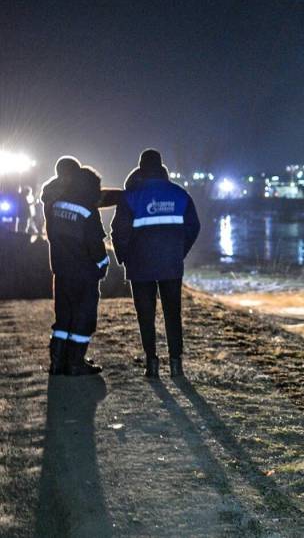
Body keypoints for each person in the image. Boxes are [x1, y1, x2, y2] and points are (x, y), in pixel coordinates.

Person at [111, 149, 200, 379]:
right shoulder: (180, 194)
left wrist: (124, 257)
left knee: (146, 315)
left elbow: (118, 232)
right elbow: (194, 227)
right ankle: (176, 364)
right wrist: (179, 252)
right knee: (173, 313)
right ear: (162, 168)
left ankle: (151, 363)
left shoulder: (130, 196)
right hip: (171, 265)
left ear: (140, 168)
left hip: (140, 267)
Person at [41, 157, 108, 375]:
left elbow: (52, 235)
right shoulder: (87, 210)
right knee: (84, 317)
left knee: (63, 316)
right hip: (84, 273)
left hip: (61, 270)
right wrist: (102, 263)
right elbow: (95, 244)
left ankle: (57, 363)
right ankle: (76, 363)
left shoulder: (56, 204)